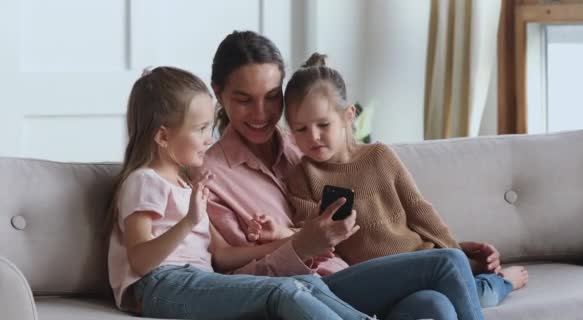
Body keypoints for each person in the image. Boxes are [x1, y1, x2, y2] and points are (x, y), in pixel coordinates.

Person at [200, 30, 485, 320]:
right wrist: (298, 247)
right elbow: (230, 274)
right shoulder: (210, 177)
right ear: (218, 93)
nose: (261, 113)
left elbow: (395, 212)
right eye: (244, 100)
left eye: (272, 97)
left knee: (436, 306)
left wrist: (459, 250)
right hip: (310, 292)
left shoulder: (305, 144)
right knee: (448, 263)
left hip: (364, 283)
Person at [248, 52, 528, 308]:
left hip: (421, 258)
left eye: (323, 125)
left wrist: (457, 253)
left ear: (348, 117)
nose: (313, 137)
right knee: (449, 296)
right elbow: (310, 234)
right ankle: (494, 282)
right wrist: (279, 233)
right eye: (301, 129)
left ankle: (498, 281)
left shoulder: (380, 156)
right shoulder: (303, 176)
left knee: (457, 291)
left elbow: (420, 212)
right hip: (381, 280)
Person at [106, 66, 375, 319]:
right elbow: (140, 262)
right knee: (282, 292)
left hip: (196, 279)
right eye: (200, 129)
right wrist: (188, 221)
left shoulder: (186, 184)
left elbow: (222, 256)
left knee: (303, 282)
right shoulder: (144, 180)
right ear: (163, 137)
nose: (209, 139)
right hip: (159, 285)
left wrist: (295, 240)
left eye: (208, 128)